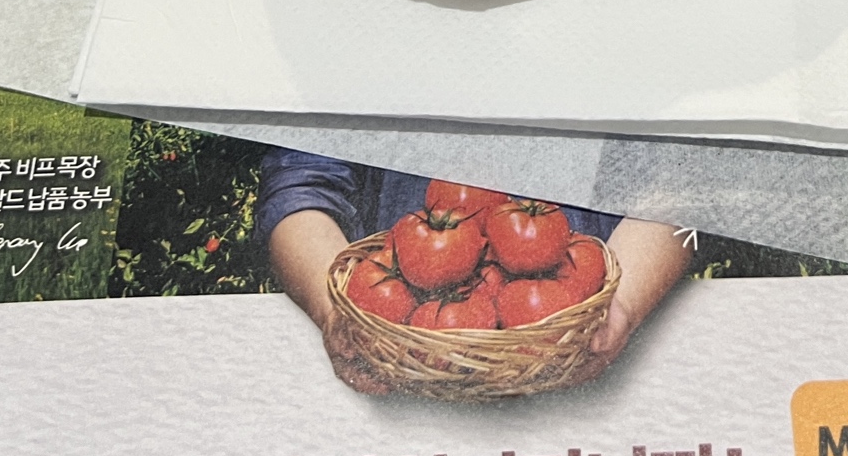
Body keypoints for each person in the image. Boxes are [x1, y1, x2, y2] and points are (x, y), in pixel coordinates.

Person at [258, 148, 692, 393]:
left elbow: (685, 181)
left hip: (601, 377)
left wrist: (622, 306)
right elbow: (299, 186)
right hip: (401, 370)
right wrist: (338, 312)